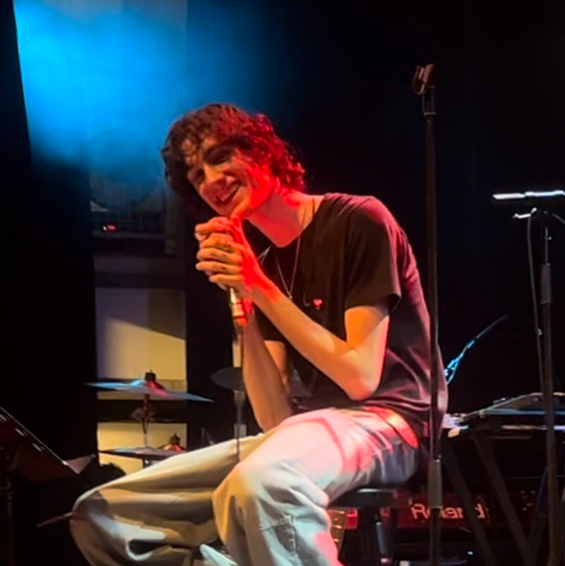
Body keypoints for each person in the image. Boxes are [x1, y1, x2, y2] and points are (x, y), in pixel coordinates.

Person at [70, 103, 447, 566]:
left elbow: (360, 378)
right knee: (102, 514)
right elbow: (273, 415)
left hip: (390, 420)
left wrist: (259, 286)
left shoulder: (358, 219)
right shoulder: (263, 267)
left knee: (262, 484)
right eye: (197, 176)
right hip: (310, 428)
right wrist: (243, 300)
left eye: (221, 157)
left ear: (261, 151)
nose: (213, 180)